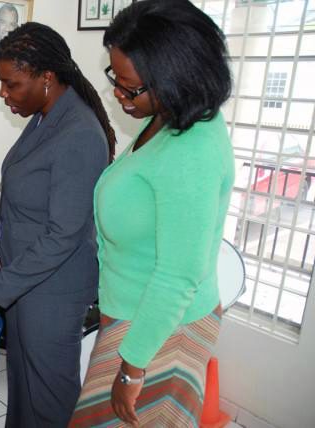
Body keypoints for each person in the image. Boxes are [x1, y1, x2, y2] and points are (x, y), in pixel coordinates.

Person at [70, 1, 234, 426]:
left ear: (176, 79)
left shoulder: (192, 148)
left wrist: (132, 366)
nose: (118, 96)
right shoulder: (166, 117)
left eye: (129, 87)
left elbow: (179, 274)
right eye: (115, 80)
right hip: (135, 317)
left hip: (162, 331)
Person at [0, 22, 117, 427]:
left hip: (53, 289)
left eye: (12, 84)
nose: (4, 94)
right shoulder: (48, 115)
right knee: (24, 392)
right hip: (28, 280)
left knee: (48, 400)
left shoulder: (78, 133)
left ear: (47, 78)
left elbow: (64, 234)